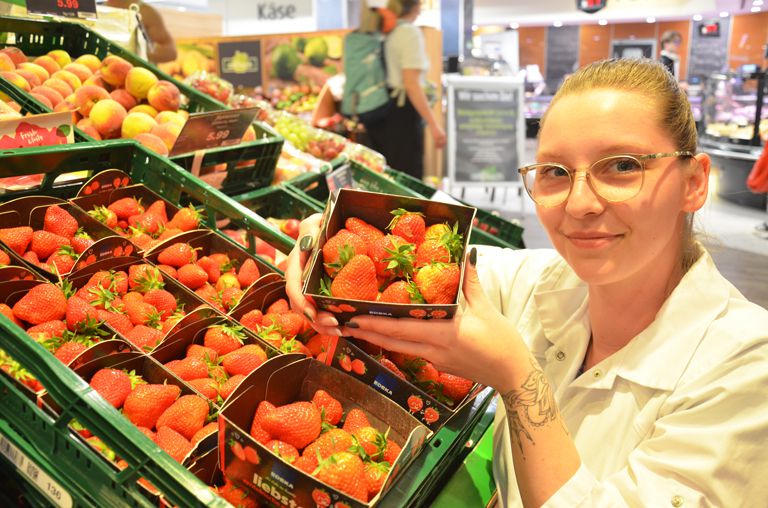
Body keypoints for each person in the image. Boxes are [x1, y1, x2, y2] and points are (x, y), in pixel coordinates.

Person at [285, 58, 768, 506]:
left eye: (623, 166)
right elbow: (403, 265)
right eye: (556, 172)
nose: (580, 203)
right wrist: (317, 235)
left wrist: (518, 380)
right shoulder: (544, 282)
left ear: (694, 183)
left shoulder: (746, 370)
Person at [359, 0, 446, 180]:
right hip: (401, 113)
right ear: (415, 7)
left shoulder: (385, 32)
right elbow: (411, 84)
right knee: (405, 177)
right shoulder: (408, 32)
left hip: (380, 108)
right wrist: (434, 125)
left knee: (385, 175)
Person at [103, 0, 177, 64]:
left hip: (135, 74)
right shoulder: (97, 6)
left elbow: (171, 52)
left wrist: (139, 53)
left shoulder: (146, 13)